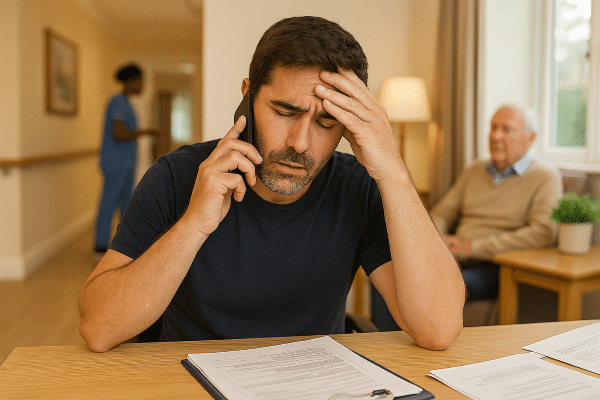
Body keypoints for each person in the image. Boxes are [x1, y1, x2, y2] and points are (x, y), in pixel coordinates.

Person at [79, 16, 465, 353]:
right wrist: (193, 224)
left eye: (326, 123)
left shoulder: (358, 187)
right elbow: (98, 328)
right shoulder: (176, 175)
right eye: (284, 112)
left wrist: (394, 173)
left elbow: (438, 329)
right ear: (247, 96)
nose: (300, 142)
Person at [430, 104, 563, 301]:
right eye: (493, 127)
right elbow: (442, 213)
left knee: (435, 287)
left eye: (507, 129)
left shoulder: (545, 177)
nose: (495, 136)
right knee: (392, 274)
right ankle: (380, 333)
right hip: (452, 257)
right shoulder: (474, 170)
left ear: (530, 138)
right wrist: (436, 239)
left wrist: (471, 248)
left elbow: (543, 233)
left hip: (496, 264)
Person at [94, 63, 157, 257]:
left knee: (126, 206)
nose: (143, 86)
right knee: (109, 204)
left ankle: (121, 247)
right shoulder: (117, 102)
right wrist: (146, 131)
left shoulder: (127, 103)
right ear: (131, 81)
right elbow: (119, 133)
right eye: (141, 81)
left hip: (125, 163)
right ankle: (100, 247)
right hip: (115, 163)